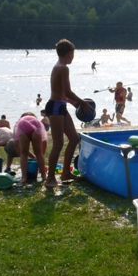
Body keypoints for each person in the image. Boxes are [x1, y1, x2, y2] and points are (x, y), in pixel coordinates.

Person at [45, 39, 93, 188]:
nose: (73, 57)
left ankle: (65, 173)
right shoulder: (63, 68)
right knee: (58, 143)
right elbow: (67, 91)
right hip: (55, 108)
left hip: (60, 106)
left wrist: (73, 102)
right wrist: (83, 102)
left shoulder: (59, 66)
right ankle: (50, 179)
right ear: (70, 53)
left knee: (74, 138)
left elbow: (61, 92)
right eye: (73, 54)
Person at [13, 112, 48, 183]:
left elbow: (16, 142)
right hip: (37, 124)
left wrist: (19, 153)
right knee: (38, 152)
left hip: (22, 125)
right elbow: (44, 142)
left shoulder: (20, 120)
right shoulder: (36, 119)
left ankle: (24, 178)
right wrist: (41, 155)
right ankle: (44, 176)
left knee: (24, 153)